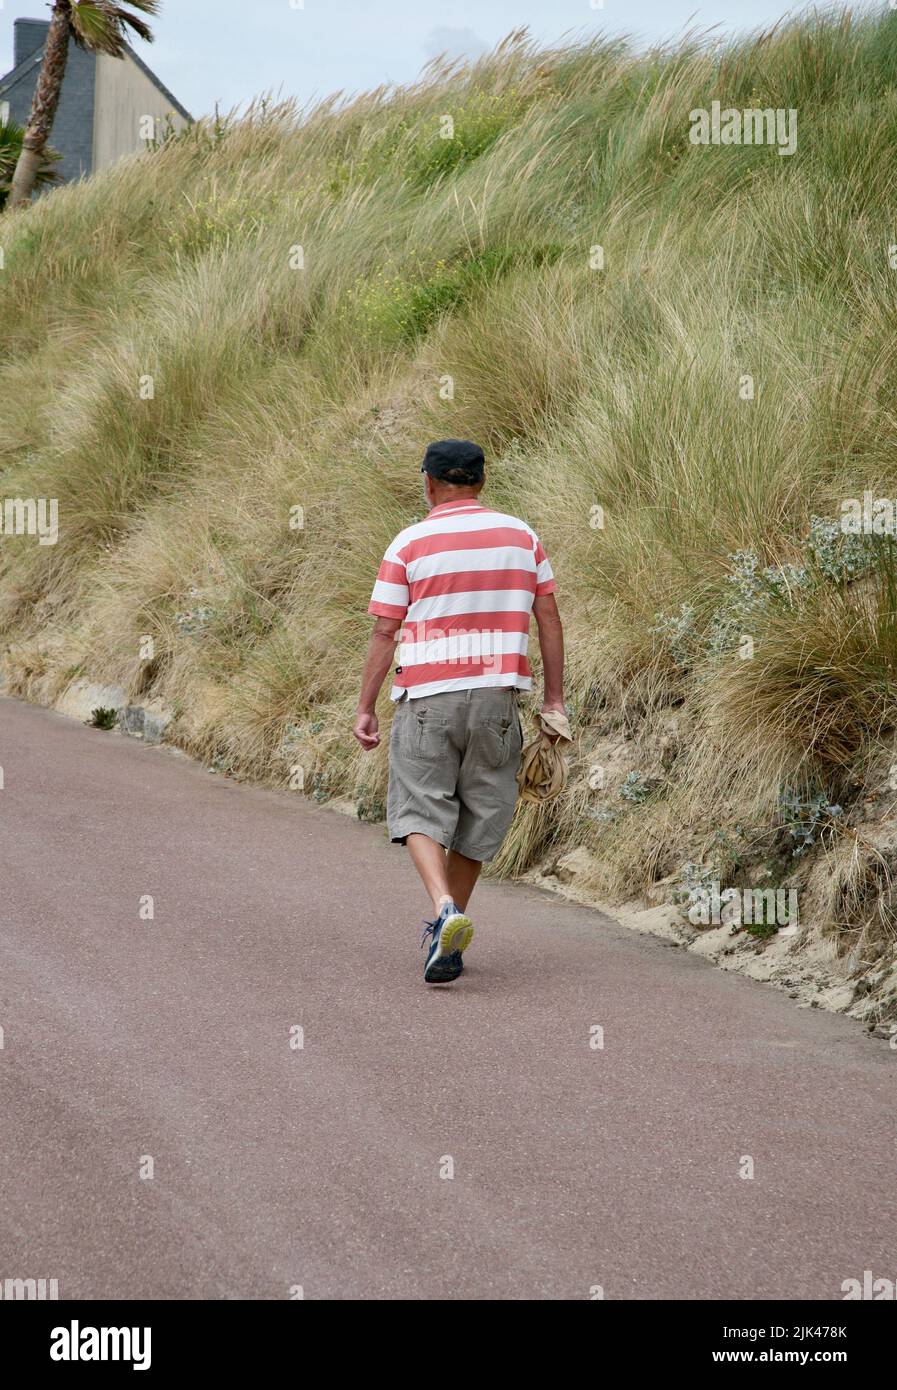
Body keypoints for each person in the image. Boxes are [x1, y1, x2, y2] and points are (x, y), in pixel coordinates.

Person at [354, 439, 565, 984]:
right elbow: (550, 621)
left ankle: (444, 907)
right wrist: (554, 701)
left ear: (428, 483)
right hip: (497, 701)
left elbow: (384, 630)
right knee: (480, 814)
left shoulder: (408, 543)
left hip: (427, 698)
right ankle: (449, 937)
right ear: (481, 482)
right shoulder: (524, 538)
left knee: (420, 809)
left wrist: (366, 706)